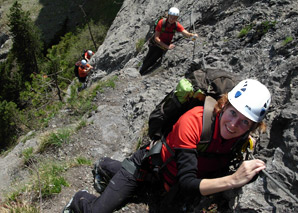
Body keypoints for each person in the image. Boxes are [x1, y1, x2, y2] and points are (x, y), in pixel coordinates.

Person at [63, 79, 271, 212]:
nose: (234, 125)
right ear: (224, 105)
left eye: (245, 121)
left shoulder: (241, 140)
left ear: (253, 127)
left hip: (165, 180)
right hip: (146, 168)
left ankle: (108, 167)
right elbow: (189, 182)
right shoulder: (194, 122)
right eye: (233, 113)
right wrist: (234, 180)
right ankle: (80, 197)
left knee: (142, 192)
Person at [139, 7, 198, 75]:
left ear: (176, 18)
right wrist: (167, 46)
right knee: (148, 59)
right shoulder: (161, 23)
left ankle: (142, 73)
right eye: (171, 17)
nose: (172, 19)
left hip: (163, 46)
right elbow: (156, 38)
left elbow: (185, 32)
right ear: (168, 16)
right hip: (155, 44)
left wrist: (192, 35)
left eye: (174, 18)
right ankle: (141, 72)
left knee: (153, 60)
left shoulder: (176, 25)